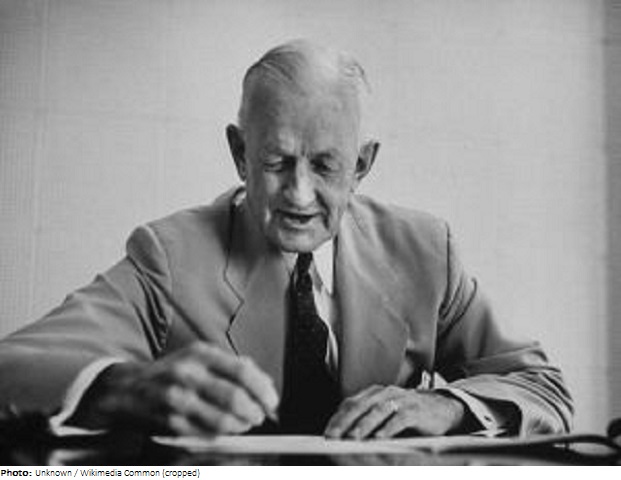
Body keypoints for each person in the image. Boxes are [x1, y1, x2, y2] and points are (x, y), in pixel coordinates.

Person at [0, 40, 573, 439]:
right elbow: (14, 366)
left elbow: (542, 387)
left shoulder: (425, 251)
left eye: (325, 165)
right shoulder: (168, 256)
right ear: (239, 153)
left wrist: (446, 406)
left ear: (362, 165)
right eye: (276, 161)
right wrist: (124, 388)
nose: (298, 194)